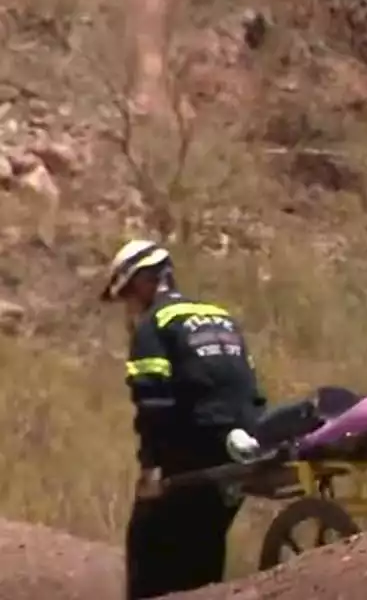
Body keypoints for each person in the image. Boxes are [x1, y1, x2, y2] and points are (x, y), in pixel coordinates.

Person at [100, 239, 267, 599]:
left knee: (147, 545)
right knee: (205, 549)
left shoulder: (154, 326)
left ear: (145, 283)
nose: (128, 307)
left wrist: (151, 467)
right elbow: (247, 385)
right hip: (245, 448)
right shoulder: (221, 315)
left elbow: (153, 401)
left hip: (192, 454)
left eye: (128, 295)